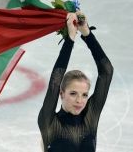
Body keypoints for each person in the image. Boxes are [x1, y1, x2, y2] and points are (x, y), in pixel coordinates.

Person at [38, 12, 114, 152]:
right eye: (73, 93)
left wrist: (87, 33)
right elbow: (56, 79)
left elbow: (107, 71)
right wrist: (70, 38)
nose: (80, 100)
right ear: (61, 93)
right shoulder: (49, 122)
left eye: (84, 95)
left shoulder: (89, 118)